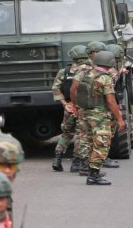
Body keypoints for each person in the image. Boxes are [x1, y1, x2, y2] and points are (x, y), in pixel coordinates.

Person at [71, 50, 125, 185]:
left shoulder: (83, 73)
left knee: (87, 141)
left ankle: (90, 171)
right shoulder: (105, 78)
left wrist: (76, 106)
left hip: (84, 113)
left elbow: (73, 90)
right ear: (110, 63)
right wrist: (119, 118)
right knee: (101, 144)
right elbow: (111, 101)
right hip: (99, 116)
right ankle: (93, 175)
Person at [50, 44, 89, 172]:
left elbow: (55, 88)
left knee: (66, 133)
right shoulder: (89, 69)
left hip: (69, 107)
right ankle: (76, 162)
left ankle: (57, 159)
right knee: (81, 134)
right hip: (82, 106)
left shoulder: (65, 71)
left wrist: (65, 103)